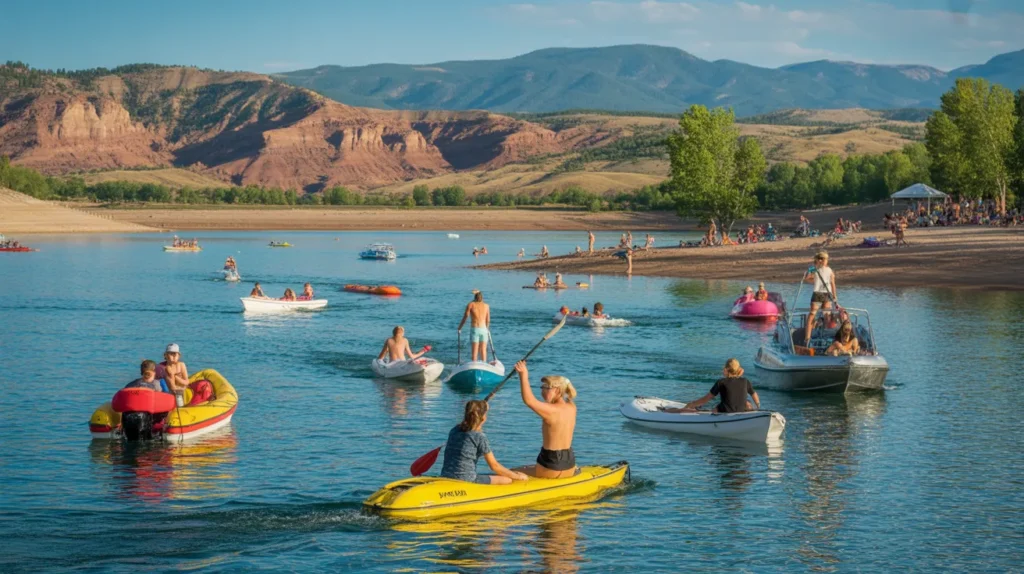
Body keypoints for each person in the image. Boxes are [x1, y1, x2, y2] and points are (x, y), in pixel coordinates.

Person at [514, 360, 577, 479]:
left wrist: (523, 375)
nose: (542, 391)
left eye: (546, 388)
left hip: (551, 465)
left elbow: (529, 400)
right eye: (542, 387)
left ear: (557, 390)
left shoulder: (551, 411)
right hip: (570, 464)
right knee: (526, 468)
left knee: (511, 472)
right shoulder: (572, 407)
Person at [440, 400, 529, 485]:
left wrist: (481, 406)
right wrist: (517, 476)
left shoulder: (454, 430)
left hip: (446, 476)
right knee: (507, 480)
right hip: (467, 479)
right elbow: (494, 466)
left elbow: (466, 424)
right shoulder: (479, 436)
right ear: (483, 417)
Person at [662, 358, 760, 414]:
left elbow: (706, 399)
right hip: (741, 411)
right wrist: (758, 407)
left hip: (724, 411)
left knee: (689, 410)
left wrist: (692, 404)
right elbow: (754, 395)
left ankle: (666, 412)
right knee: (748, 403)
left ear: (726, 369)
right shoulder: (745, 381)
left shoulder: (721, 382)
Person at [803, 251, 836, 346]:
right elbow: (832, 283)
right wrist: (834, 296)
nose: (827, 261)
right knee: (821, 315)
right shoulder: (825, 270)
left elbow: (806, 278)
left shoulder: (816, 269)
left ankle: (809, 338)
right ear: (821, 260)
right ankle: (813, 338)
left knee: (817, 315)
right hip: (824, 294)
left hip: (820, 294)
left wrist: (834, 296)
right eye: (826, 259)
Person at [458, 291, 491, 363]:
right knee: (483, 350)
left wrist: (460, 328)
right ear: (482, 298)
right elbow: (488, 320)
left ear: (474, 298)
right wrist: (487, 329)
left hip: (475, 329)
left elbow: (465, 317)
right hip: (484, 329)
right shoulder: (486, 306)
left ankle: (474, 364)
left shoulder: (471, 305)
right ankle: (484, 365)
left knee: (475, 352)